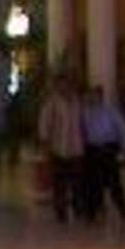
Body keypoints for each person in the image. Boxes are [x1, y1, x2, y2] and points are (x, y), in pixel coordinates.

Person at [80, 83, 125, 223]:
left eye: (95, 95)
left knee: (114, 181)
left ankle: (122, 209)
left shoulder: (111, 111)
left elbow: (122, 129)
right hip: (92, 150)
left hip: (108, 149)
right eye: (91, 95)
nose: (92, 98)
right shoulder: (85, 112)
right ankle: (94, 212)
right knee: (93, 183)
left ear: (101, 96)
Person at [36, 73, 84, 223]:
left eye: (68, 84)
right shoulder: (51, 104)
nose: (66, 87)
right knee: (59, 183)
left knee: (77, 182)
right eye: (62, 84)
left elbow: (82, 123)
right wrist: (45, 146)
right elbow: (44, 125)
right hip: (58, 148)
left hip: (76, 148)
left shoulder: (77, 102)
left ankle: (78, 209)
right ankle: (61, 212)